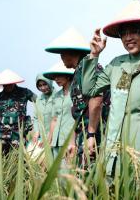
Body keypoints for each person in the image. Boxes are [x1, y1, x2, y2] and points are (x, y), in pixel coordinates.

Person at [81, 0, 140, 174]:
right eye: (124, 33)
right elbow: (89, 89)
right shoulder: (116, 65)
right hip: (112, 146)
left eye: (134, 31)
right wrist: (93, 56)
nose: (128, 38)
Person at [45, 27, 109, 164]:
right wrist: (73, 142)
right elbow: (78, 111)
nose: (61, 58)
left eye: (62, 54)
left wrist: (91, 134)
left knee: (92, 177)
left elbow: (97, 100)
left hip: (95, 135)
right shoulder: (77, 73)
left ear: (69, 53)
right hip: (83, 134)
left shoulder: (90, 68)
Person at [0, 69, 36, 154]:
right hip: (1, 134)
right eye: (5, 84)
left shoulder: (25, 92)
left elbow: (40, 102)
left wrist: (35, 120)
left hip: (18, 134)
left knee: (19, 159)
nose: (8, 86)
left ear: (14, 82)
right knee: (0, 158)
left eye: (10, 84)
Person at [44, 62, 76, 161]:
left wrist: (73, 141)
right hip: (56, 140)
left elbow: (77, 119)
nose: (56, 79)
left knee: (68, 171)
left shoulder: (76, 93)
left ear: (67, 76)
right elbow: (54, 119)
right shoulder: (56, 95)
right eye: (55, 77)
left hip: (70, 139)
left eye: (59, 76)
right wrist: (49, 140)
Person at [32, 74, 55, 145]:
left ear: (50, 83)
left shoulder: (58, 96)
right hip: (42, 138)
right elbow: (36, 118)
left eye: (45, 84)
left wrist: (50, 135)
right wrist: (36, 131)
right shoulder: (39, 99)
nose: (43, 88)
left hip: (56, 137)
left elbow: (58, 119)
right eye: (40, 85)